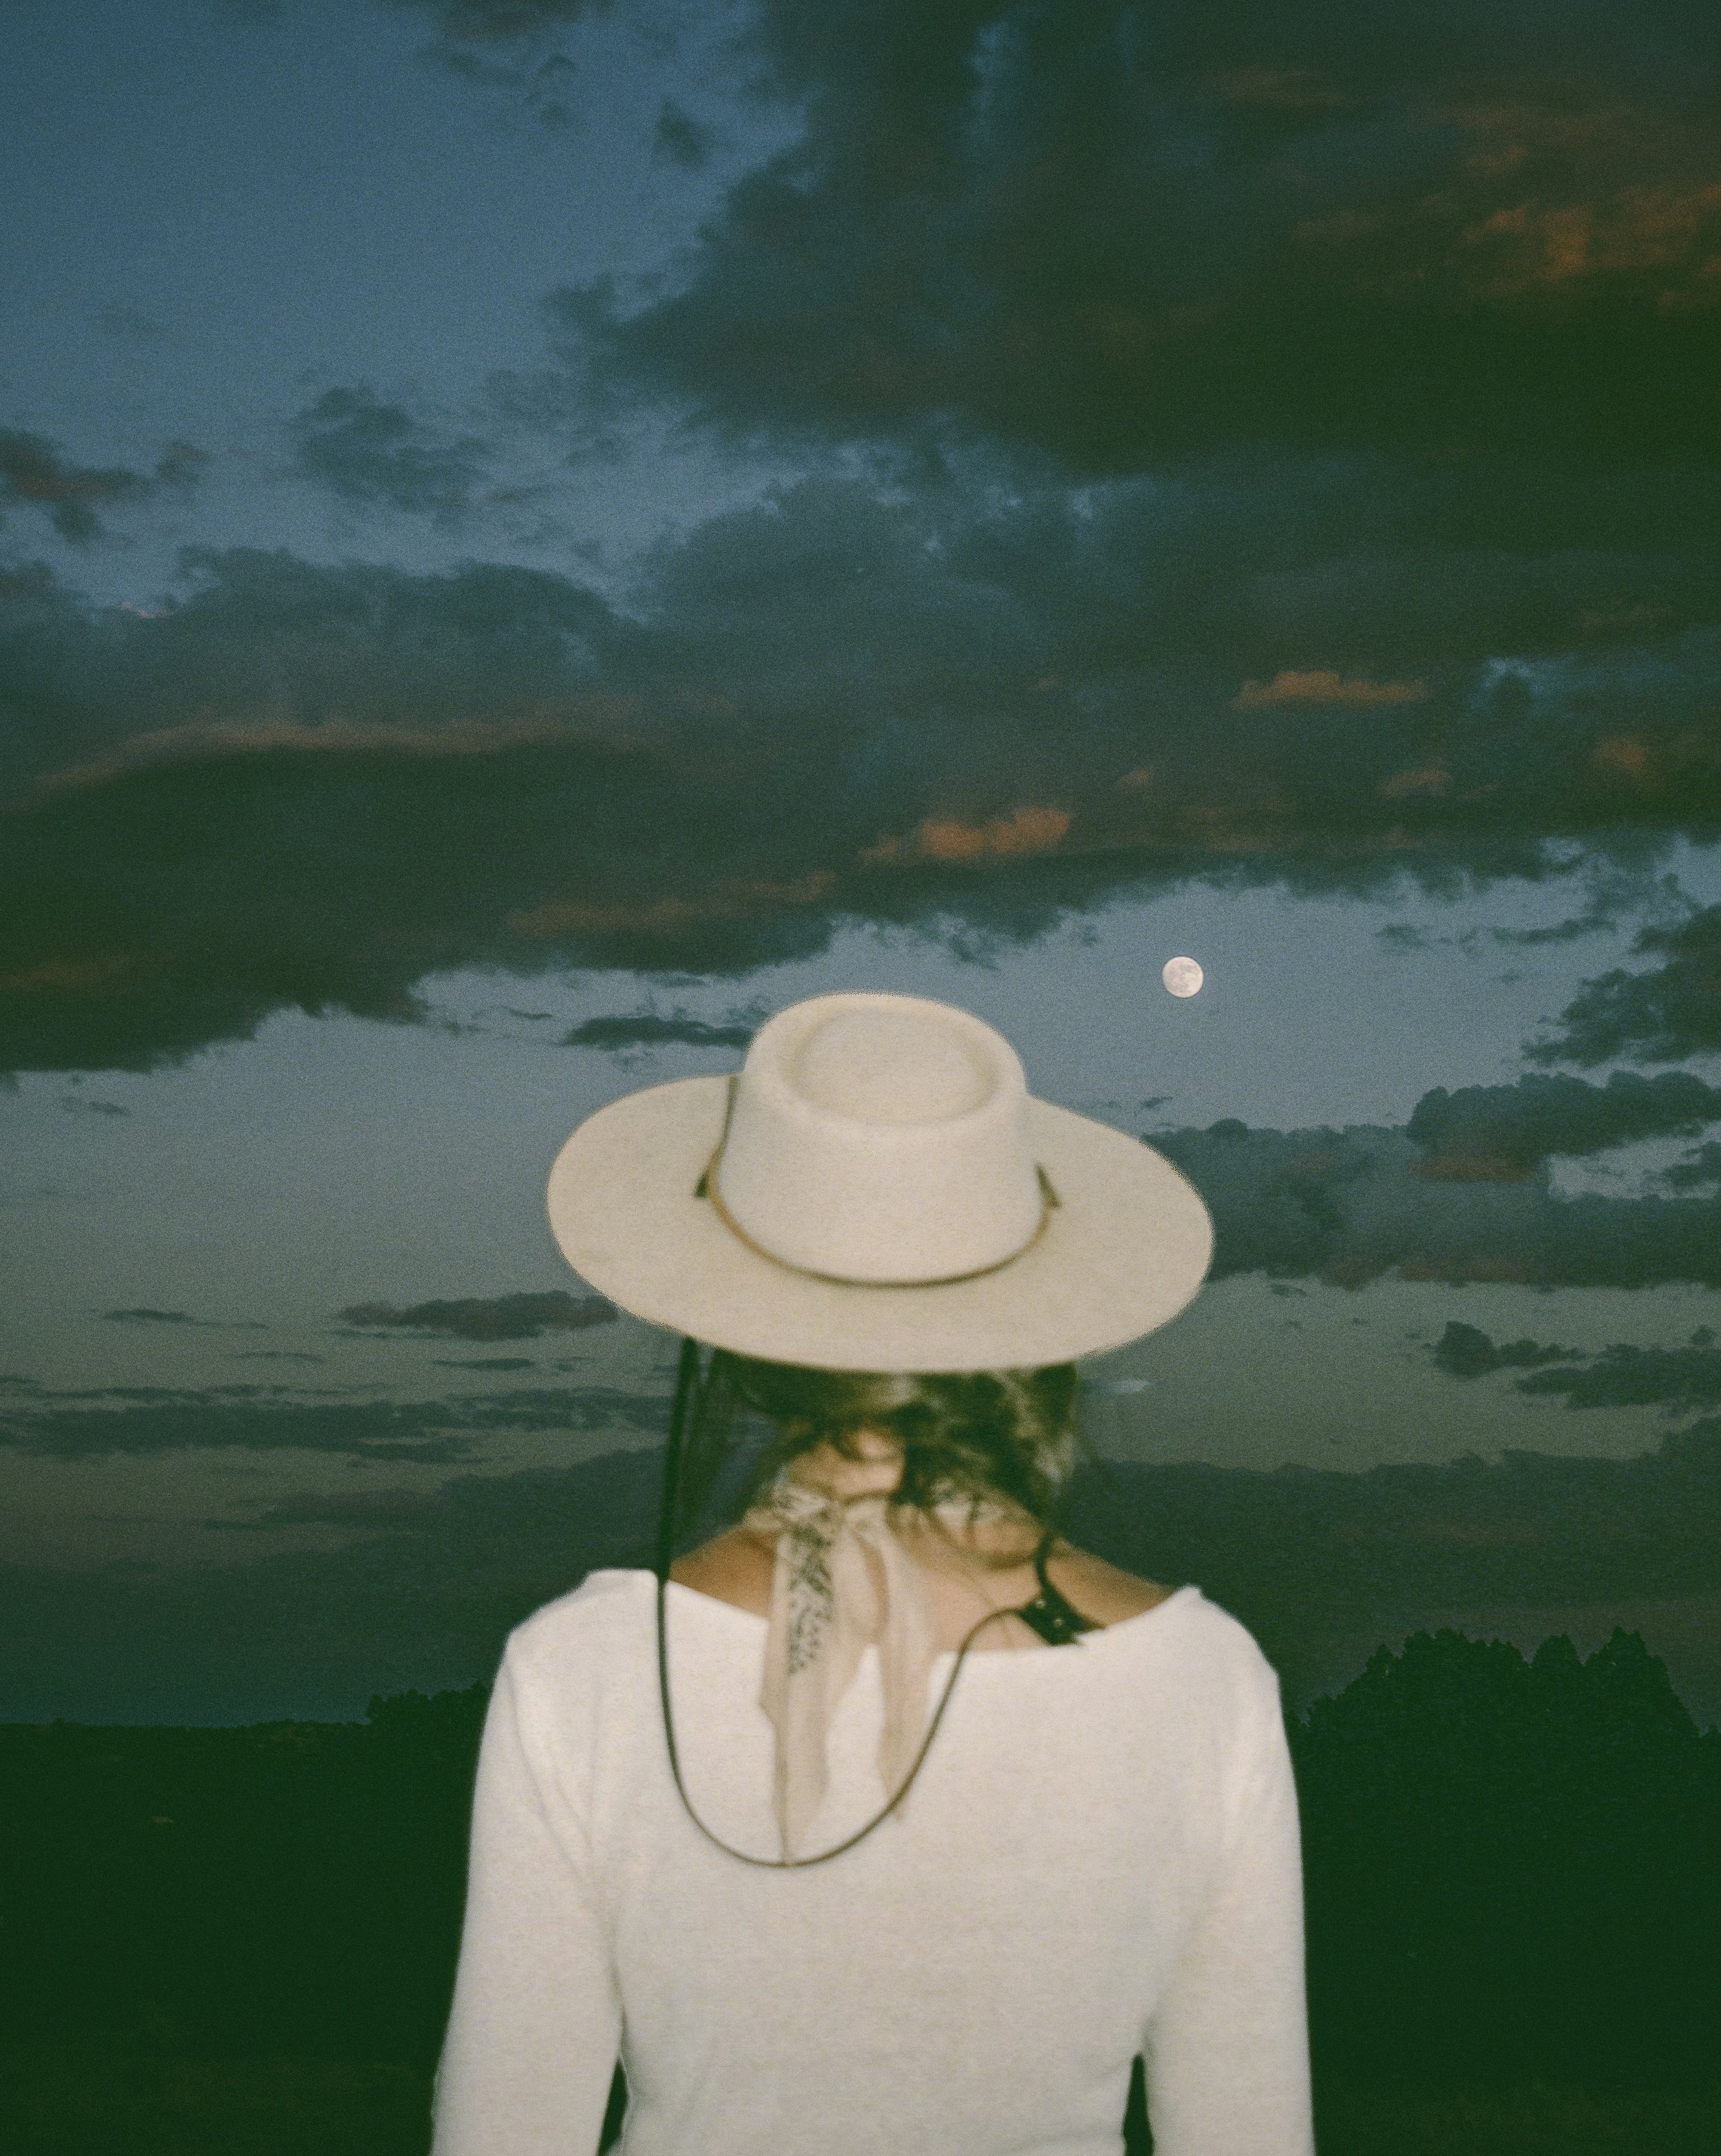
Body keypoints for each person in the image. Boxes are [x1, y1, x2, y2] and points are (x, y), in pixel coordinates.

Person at [431, 992, 1314, 2155]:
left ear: (736, 1332)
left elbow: (505, 2133)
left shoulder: (582, 1671)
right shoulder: (1203, 1679)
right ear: (1034, 1316)